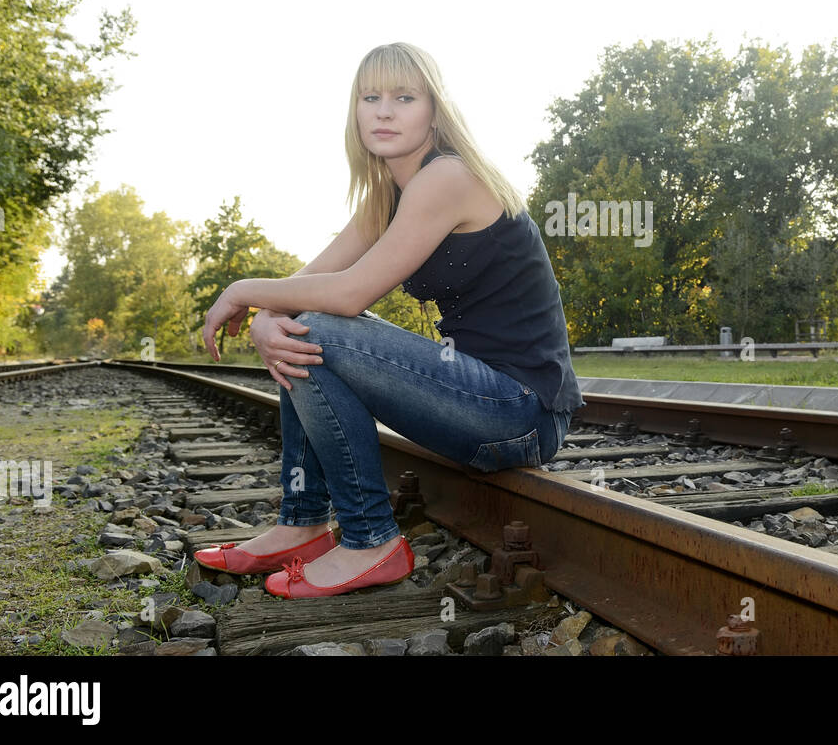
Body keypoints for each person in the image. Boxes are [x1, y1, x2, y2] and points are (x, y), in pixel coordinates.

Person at [197, 42, 584, 599]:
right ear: (354, 111)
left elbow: (349, 295)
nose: (383, 111)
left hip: (520, 412)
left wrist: (243, 292)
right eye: (370, 97)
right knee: (304, 326)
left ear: (434, 110)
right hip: (476, 399)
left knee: (317, 330)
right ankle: (302, 522)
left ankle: (370, 539)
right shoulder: (386, 194)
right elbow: (313, 280)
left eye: (404, 97)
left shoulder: (448, 177)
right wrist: (266, 317)